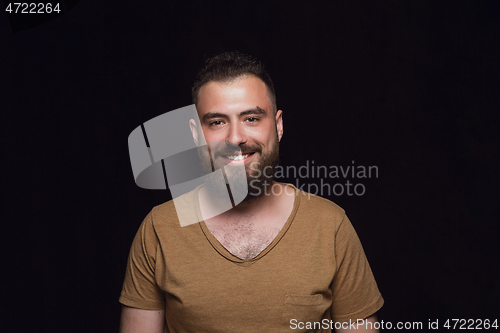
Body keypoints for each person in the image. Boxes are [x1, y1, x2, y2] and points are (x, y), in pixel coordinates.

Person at [119, 51, 384, 333]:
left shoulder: (330, 225)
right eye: (217, 122)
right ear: (196, 134)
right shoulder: (159, 229)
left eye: (252, 119)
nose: (235, 138)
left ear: (278, 126)